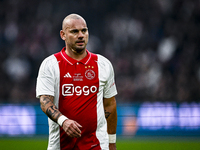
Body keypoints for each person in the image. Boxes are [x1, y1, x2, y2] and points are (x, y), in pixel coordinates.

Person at [36, 14, 118, 150]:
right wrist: (64, 121)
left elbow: (110, 105)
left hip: (97, 144)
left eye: (84, 31)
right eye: (74, 31)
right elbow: (45, 101)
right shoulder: (50, 64)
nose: (81, 35)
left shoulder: (103, 64)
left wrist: (112, 142)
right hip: (60, 145)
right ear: (63, 35)